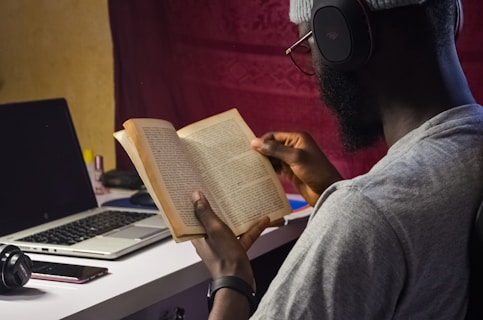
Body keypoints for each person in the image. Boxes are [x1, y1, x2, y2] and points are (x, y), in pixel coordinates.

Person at [190, 0, 483, 318]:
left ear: (340, 36)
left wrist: (231, 280)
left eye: (306, 44)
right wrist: (338, 194)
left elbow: (385, 218)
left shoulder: (365, 213)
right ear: (453, 16)